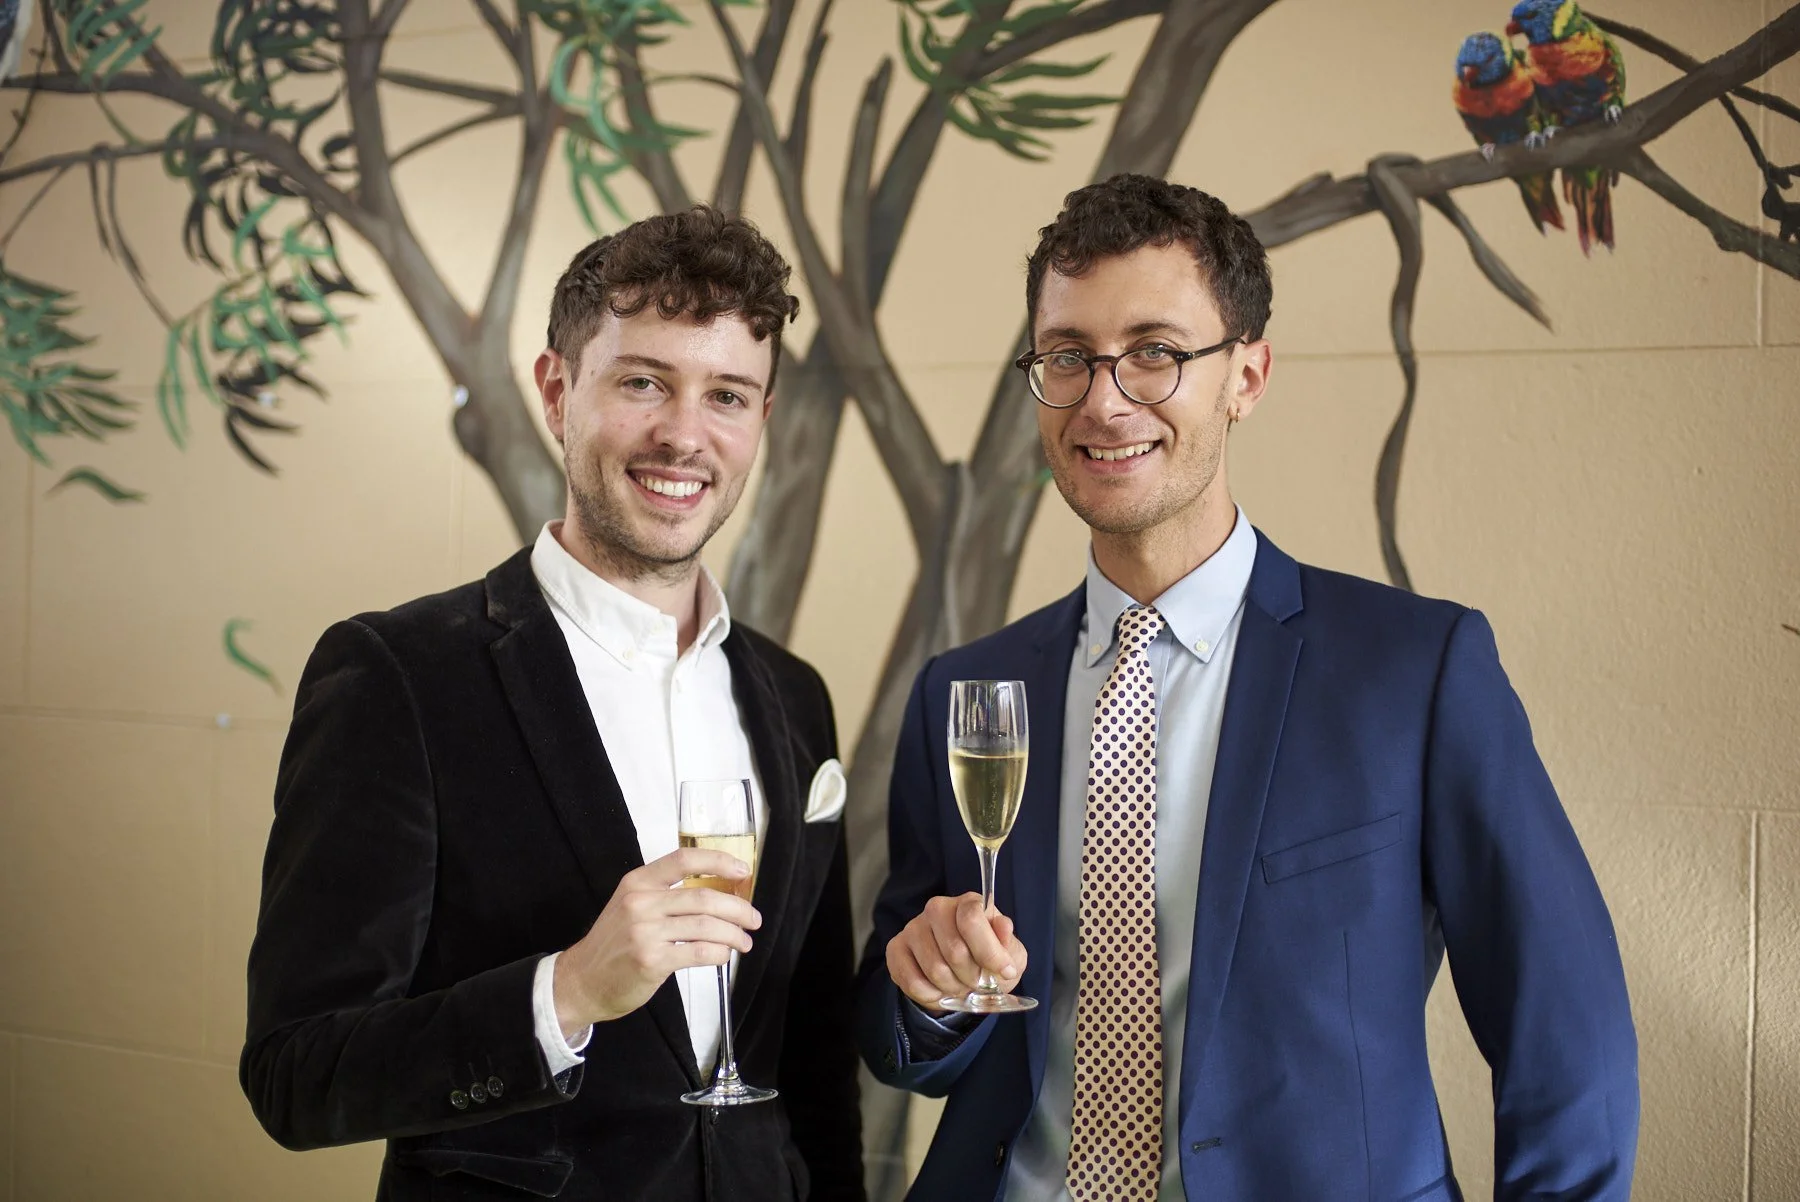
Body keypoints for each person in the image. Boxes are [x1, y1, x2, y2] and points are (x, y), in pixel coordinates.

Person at [856, 174, 1637, 1201]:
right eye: (1067, 356)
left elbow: (1565, 1036)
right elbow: (904, 1040)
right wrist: (927, 992)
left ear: (1248, 375)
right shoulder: (969, 691)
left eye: (1155, 352)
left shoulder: (1418, 669)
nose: (1103, 398)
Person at [242, 206, 865, 1202]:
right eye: (642, 381)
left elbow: (814, 1057)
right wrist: (566, 988)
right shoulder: (398, 675)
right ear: (556, 390)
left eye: (727, 395)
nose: (683, 434)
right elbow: (296, 1073)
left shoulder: (795, 696)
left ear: (762, 421)